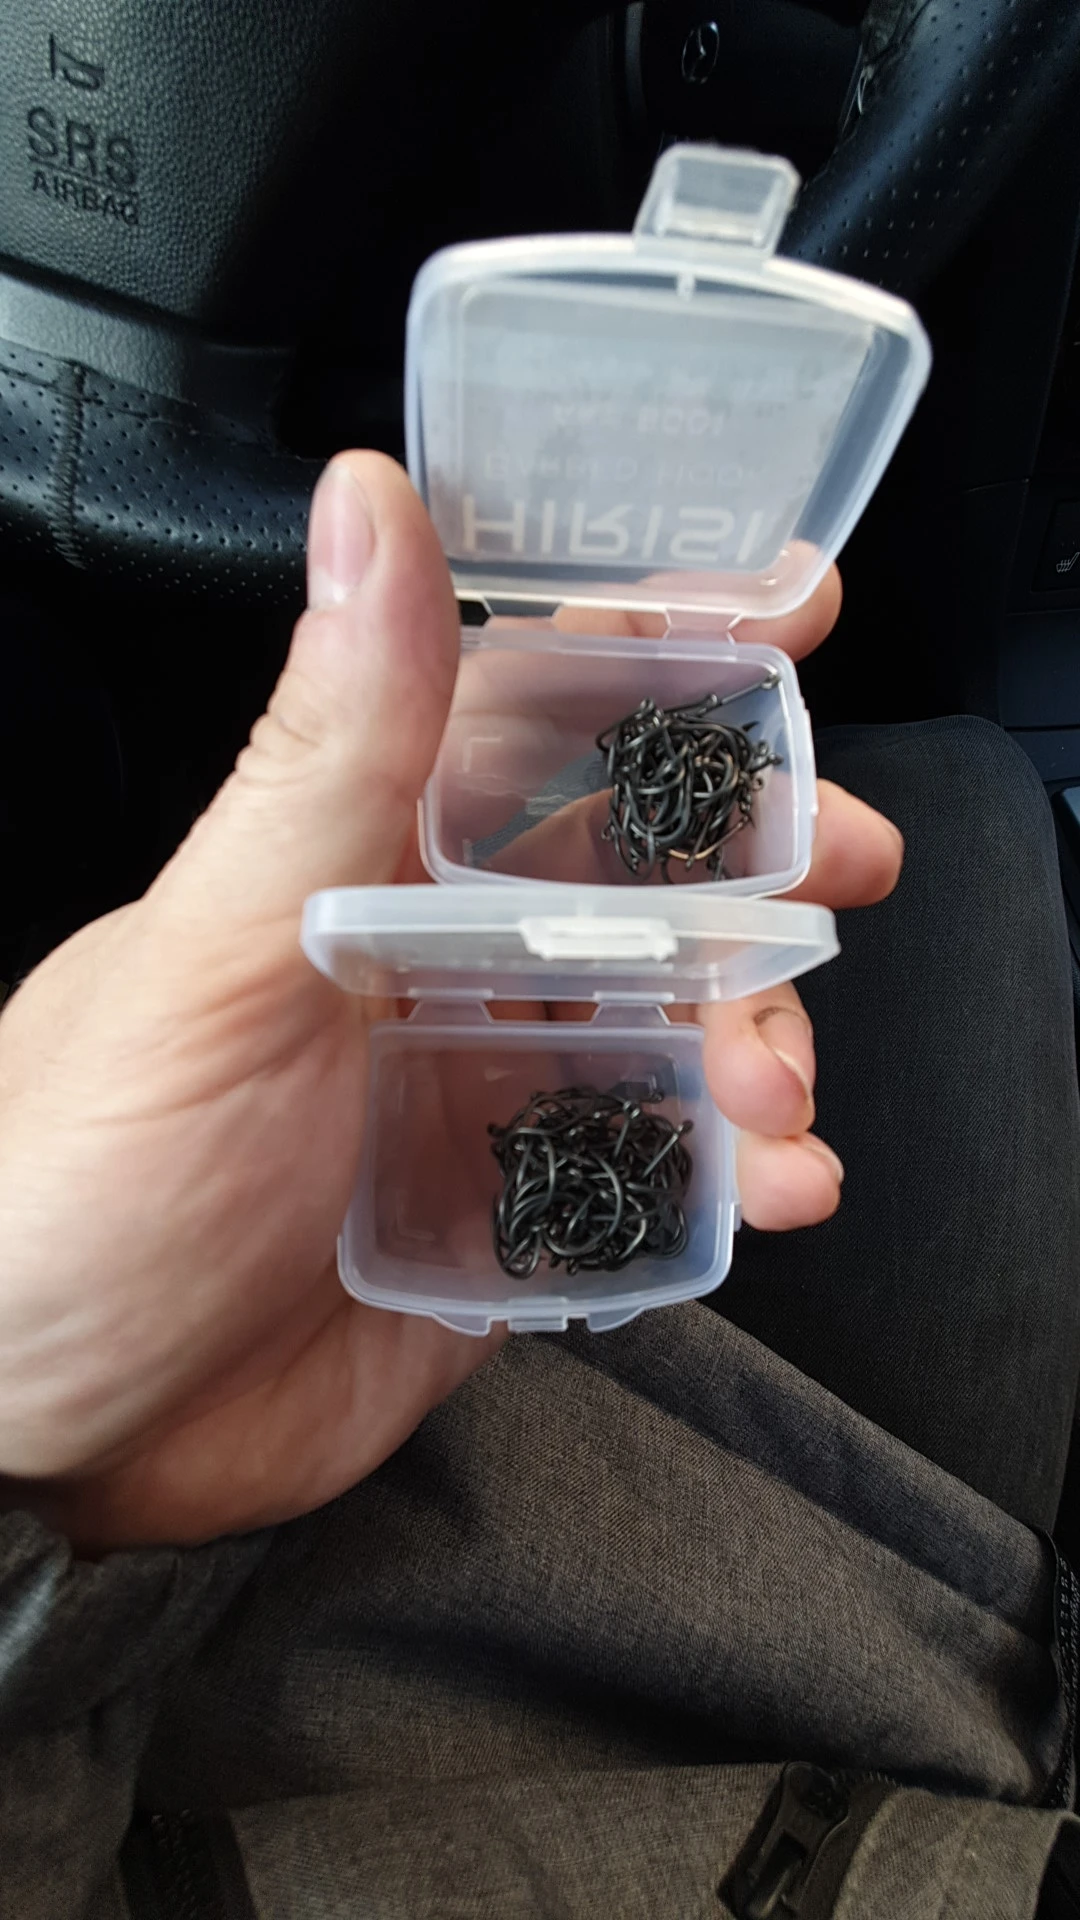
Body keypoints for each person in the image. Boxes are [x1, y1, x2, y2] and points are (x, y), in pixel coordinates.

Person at [0, 452, 1078, 1919]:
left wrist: (53, 1476)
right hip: (905, 1711)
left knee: (953, 820)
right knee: (970, 804)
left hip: (335, 1628)